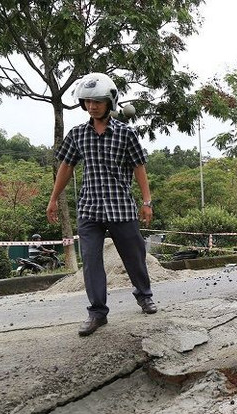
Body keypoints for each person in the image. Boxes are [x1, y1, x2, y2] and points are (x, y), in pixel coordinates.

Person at [46, 72, 157, 337]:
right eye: (87, 101)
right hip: (90, 209)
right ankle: (97, 312)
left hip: (121, 206)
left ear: (110, 102)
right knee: (92, 261)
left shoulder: (125, 133)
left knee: (135, 255)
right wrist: (53, 199)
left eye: (97, 101)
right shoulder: (77, 134)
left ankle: (144, 295)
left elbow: (139, 167)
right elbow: (66, 166)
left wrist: (146, 201)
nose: (92, 106)